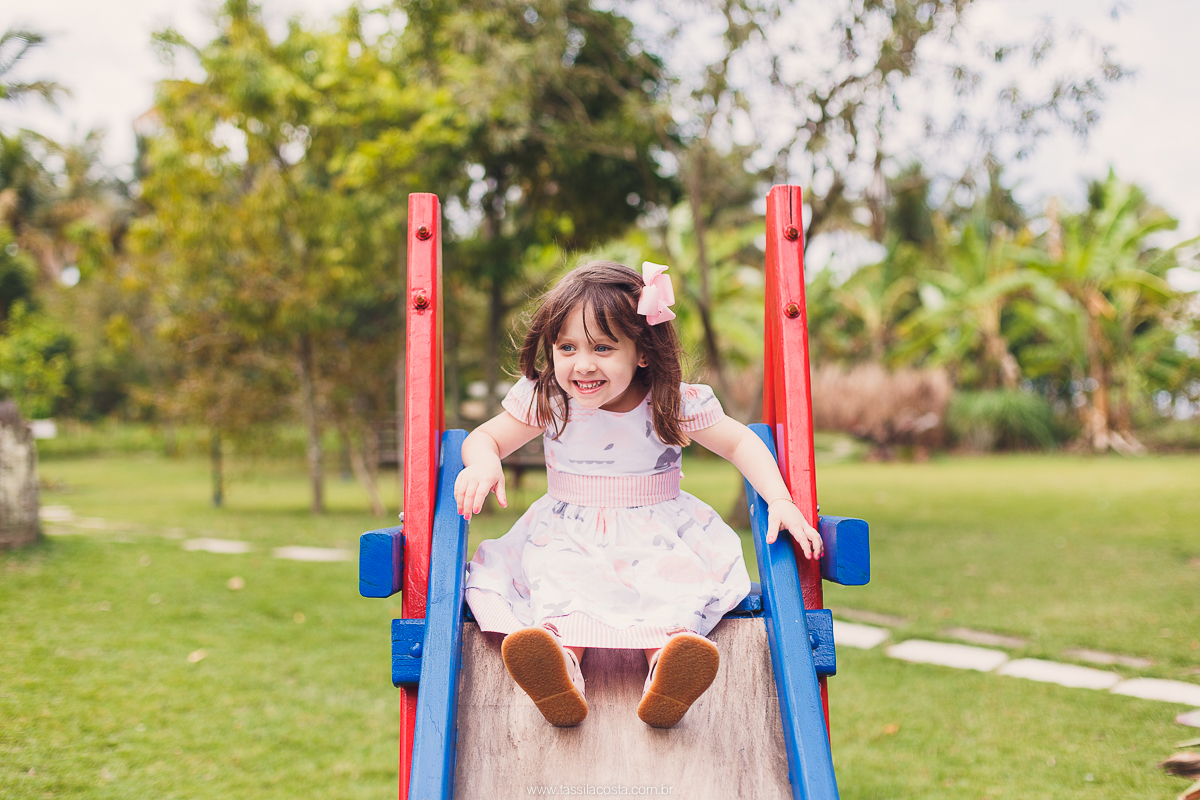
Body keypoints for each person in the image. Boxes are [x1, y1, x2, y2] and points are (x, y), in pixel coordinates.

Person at [455, 260, 823, 729]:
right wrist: (484, 461)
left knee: (667, 585)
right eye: (567, 347)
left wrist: (781, 500)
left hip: (656, 533)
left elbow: (739, 443)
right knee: (563, 579)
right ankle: (558, 666)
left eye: (602, 347)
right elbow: (485, 437)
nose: (582, 364)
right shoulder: (550, 399)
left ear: (643, 351)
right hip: (568, 533)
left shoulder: (671, 401)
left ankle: (668, 669)